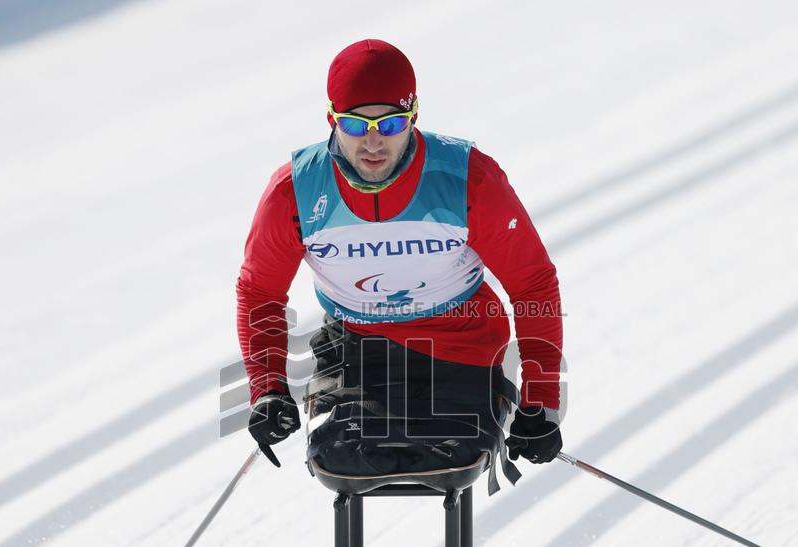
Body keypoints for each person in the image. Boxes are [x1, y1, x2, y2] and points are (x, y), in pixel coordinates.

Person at [237, 39, 563, 484]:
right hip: (355, 348)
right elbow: (259, 293)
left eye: (390, 124)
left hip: (462, 344)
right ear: (332, 119)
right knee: (339, 459)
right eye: (355, 124)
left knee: (457, 458)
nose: (373, 142)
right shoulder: (296, 190)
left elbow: (533, 284)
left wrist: (540, 401)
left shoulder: (467, 177)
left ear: (413, 118)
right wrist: (268, 389)